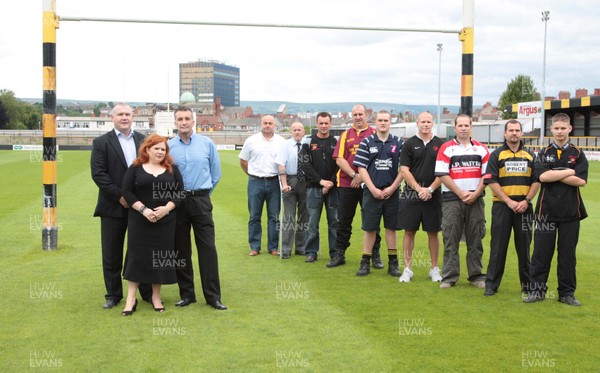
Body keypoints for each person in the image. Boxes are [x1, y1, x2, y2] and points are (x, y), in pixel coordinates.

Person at [91, 103, 151, 309]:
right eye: (120, 114)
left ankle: (146, 292)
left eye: (127, 114)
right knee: (111, 253)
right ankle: (113, 295)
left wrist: (138, 201)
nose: (124, 117)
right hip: (112, 206)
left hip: (139, 206)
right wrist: (120, 196)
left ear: (133, 116)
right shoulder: (101, 142)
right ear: (112, 117)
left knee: (140, 251)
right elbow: (99, 174)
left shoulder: (143, 140)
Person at [524, 113, 588, 306]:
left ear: (569, 129)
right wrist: (569, 171)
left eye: (563, 128)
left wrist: (554, 173)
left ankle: (567, 293)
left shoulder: (578, 153)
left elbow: (581, 181)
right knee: (541, 253)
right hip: (546, 212)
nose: (560, 132)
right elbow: (542, 177)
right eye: (556, 128)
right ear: (551, 130)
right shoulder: (543, 152)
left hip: (571, 213)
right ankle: (537, 291)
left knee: (567, 255)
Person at [168, 106, 227, 310]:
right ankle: (187, 294)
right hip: (177, 203)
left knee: (207, 249)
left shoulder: (206, 143)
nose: (183, 122)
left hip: (201, 200)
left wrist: (202, 196)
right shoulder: (168, 147)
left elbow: (216, 174)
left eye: (187, 118)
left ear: (193, 121)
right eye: (179, 119)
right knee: (181, 250)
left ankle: (213, 297)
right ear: (175, 123)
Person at [121, 134, 183, 315]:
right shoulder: (135, 168)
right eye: (156, 148)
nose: (160, 152)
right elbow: (127, 191)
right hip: (139, 222)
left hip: (165, 223)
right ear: (147, 149)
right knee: (136, 258)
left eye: (163, 149)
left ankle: (156, 297)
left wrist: (166, 209)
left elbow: (180, 193)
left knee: (160, 260)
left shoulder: (172, 170)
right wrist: (144, 210)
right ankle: (131, 299)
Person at [484, 119, 539, 297]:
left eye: (517, 130)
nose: (514, 133)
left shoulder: (530, 155)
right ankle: (491, 285)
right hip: (502, 207)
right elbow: (491, 181)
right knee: (498, 247)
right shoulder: (497, 155)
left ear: (521, 133)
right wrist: (508, 201)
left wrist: (527, 201)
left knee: (524, 248)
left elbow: (536, 181)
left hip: (524, 207)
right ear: (505, 133)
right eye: (511, 130)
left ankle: (527, 286)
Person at [435, 114, 489, 289]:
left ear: (471, 127)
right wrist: (460, 192)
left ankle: (476, 276)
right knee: (450, 237)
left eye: (467, 125)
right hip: (452, 199)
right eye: (461, 125)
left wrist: (475, 194)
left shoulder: (481, 149)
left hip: (476, 199)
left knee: (475, 238)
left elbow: (487, 176)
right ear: (455, 127)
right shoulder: (446, 148)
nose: (464, 128)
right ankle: (449, 277)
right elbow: (442, 175)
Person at [327, 104, 382, 269]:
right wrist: (354, 175)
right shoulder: (345, 135)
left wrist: (363, 178)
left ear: (367, 115)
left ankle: (375, 255)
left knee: (371, 221)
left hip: (369, 185)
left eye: (361, 114)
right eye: (355, 114)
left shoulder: (374, 134)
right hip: (346, 183)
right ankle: (339, 254)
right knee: (344, 220)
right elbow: (339, 159)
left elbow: (378, 160)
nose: (358, 117)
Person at [353, 111, 403, 276]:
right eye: (380, 120)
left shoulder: (398, 142)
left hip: (392, 193)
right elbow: (361, 168)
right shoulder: (367, 142)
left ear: (390, 122)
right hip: (371, 193)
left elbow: (403, 170)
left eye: (386, 120)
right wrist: (373, 189)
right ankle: (365, 262)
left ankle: (393, 264)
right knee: (370, 228)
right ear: (375, 122)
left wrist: (393, 187)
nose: (383, 123)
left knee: (391, 228)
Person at [397, 112, 444, 283]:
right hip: (411, 194)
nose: (425, 124)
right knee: (409, 232)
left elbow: (444, 171)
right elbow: (404, 170)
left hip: (434, 194)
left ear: (433, 124)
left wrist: (430, 189)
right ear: (417, 123)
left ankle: (434, 269)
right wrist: (419, 189)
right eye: (422, 121)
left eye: (428, 122)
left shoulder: (440, 144)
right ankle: (407, 269)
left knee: (433, 232)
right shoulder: (409, 144)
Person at [239, 115, 286, 256]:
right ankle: (254, 247)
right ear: (261, 124)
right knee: (254, 216)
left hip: (274, 182)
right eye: (265, 123)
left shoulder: (281, 142)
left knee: (274, 217)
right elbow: (243, 161)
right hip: (255, 182)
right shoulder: (251, 141)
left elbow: (284, 162)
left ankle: (273, 247)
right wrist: (252, 174)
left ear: (274, 125)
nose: (267, 125)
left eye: (270, 123)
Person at [300, 112, 339, 263]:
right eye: (321, 123)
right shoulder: (308, 141)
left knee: (334, 222)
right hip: (313, 189)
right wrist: (320, 181)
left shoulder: (336, 141)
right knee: (312, 222)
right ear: (316, 124)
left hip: (333, 189)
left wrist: (330, 182)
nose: (323, 126)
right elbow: (304, 164)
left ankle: (335, 252)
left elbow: (340, 165)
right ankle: (311, 252)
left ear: (330, 124)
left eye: (326, 123)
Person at [275, 122, 308, 259]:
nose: (297, 132)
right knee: (288, 217)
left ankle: (301, 248)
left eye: (299, 130)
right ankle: (286, 249)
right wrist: (284, 184)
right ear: (291, 132)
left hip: (306, 181)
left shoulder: (308, 143)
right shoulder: (285, 145)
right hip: (290, 180)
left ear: (304, 131)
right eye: (294, 130)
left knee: (304, 216)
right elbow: (281, 165)